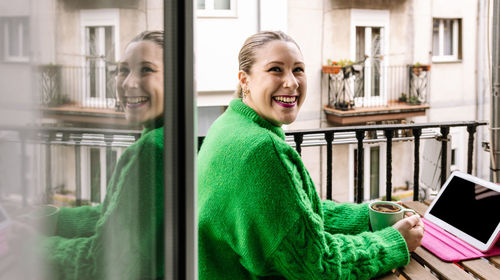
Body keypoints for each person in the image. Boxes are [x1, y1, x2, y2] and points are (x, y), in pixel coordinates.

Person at [197, 30, 424, 279]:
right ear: (245, 80)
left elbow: (294, 216)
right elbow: (318, 267)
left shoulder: (229, 125)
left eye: (298, 69)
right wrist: (393, 242)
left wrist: (366, 217)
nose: (292, 82)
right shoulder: (261, 150)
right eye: (275, 69)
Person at [40, 30, 165, 279]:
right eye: (123, 70)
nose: (129, 82)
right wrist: (48, 220)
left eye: (146, 70)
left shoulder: (152, 150)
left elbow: (102, 262)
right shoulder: (162, 137)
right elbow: (111, 218)